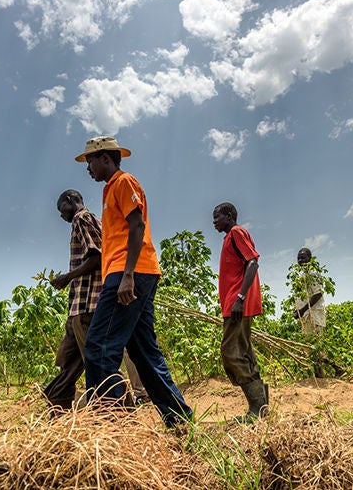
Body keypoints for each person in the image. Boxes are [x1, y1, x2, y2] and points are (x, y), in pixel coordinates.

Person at [76, 136, 192, 427]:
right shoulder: (110, 189)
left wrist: (127, 275)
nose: (88, 168)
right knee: (143, 352)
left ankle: (112, 425)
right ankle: (179, 420)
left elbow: (137, 224)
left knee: (99, 346)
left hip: (129, 273)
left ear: (105, 158)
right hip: (134, 272)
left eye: (90, 161)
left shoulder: (123, 182)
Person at [42, 189, 149, 412]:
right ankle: (58, 407)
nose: (61, 215)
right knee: (69, 361)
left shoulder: (82, 219)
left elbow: (97, 256)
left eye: (61, 208)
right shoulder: (94, 221)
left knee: (99, 361)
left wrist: (67, 277)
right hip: (78, 307)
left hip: (88, 304)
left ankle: (123, 410)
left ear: (70, 200)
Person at [212, 202, 268, 423]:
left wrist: (240, 298)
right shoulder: (229, 237)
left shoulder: (237, 232)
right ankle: (261, 407)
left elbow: (252, 262)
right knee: (243, 350)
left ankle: (257, 407)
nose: (214, 221)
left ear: (229, 216)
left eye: (217, 217)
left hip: (238, 304)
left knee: (231, 352)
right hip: (234, 303)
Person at [292, 248, 345, 378]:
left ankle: (337, 368)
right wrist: (298, 311)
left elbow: (318, 294)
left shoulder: (313, 274)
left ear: (310, 259)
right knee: (310, 347)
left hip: (313, 315)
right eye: (298, 258)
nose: (300, 260)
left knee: (316, 346)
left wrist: (303, 310)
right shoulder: (301, 276)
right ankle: (319, 375)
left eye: (303, 257)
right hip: (306, 316)